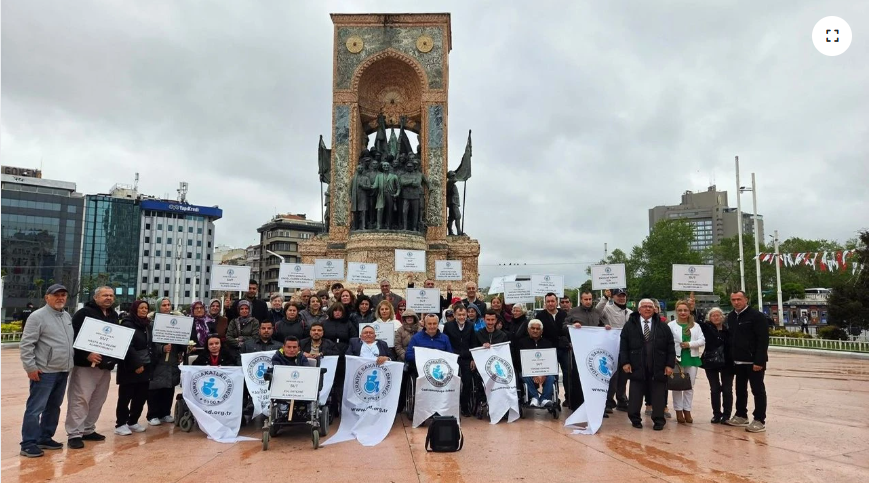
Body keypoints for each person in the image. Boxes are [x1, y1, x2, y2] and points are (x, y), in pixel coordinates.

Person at [19, 284, 74, 457]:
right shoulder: (37, 316)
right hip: (44, 371)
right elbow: (26, 344)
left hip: (63, 370)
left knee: (54, 407)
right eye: (56, 295)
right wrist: (30, 367)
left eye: (63, 295)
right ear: (47, 297)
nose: (60, 298)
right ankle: (28, 442)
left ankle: (45, 437)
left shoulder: (66, 316)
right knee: (35, 408)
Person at [65, 286, 118, 450]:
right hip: (85, 365)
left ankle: (88, 429)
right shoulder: (84, 314)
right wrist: (86, 354)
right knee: (80, 399)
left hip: (105, 366)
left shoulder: (113, 315)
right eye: (104, 295)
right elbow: (72, 337)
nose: (108, 298)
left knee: (98, 399)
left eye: (111, 295)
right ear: (95, 297)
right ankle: (74, 433)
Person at [620, 299, 675, 431]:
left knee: (658, 396)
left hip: (658, 366)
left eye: (650, 307)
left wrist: (669, 364)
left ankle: (658, 420)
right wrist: (625, 362)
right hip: (636, 365)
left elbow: (670, 346)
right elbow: (623, 345)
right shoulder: (630, 325)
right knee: (635, 395)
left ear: (654, 309)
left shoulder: (662, 325)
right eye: (644, 307)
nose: (647, 309)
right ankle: (635, 419)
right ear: (639, 309)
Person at [724, 291, 769, 433]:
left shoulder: (756, 316)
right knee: (740, 390)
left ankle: (759, 419)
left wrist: (759, 361)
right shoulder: (731, 317)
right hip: (737, 361)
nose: (736, 302)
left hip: (753, 362)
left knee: (758, 390)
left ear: (746, 299)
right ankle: (741, 415)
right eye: (733, 300)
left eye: (739, 299)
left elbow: (763, 340)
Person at [115, 300, 154, 436]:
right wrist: (136, 364)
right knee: (126, 396)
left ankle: (133, 421)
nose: (144, 310)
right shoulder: (127, 324)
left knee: (141, 396)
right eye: (141, 308)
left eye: (146, 308)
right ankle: (121, 423)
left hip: (146, 365)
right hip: (130, 367)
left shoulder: (147, 325)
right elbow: (127, 346)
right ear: (135, 309)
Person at [146, 299, 185, 426]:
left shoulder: (177, 322)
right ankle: (153, 414)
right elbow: (149, 343)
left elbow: (180, 338)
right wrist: (161, 349)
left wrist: (180, 350)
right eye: (164, 305)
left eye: (168, 305)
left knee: (169, 387)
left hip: (172, 359)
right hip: (158, 361)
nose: (167, 307)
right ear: (158, 307)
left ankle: (165, 413)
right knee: (155, 388)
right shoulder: (152, 324)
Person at [667, 300, 705, 424]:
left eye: (685, 310)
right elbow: (667, 341)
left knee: (689, 386)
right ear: (676, 311)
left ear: (689, 312)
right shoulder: (671, 325)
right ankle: (678, 411)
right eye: (680, 310)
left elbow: (702, 340)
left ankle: (687, 410)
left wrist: (689, 344)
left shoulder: (696, 325)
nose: (683, 312)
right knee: (677, 385)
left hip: (691, 357)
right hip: (676, 359)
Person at [597, 288, 633, 411]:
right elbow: (596, 313)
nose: (622, 298)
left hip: (626, 348)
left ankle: (622, 399)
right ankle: (608, 401)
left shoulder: (630, 312)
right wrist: (604, 298)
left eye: (623, 295)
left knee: (624, 375)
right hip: (611, 347)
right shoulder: (607, 309)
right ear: (613, 297)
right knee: (612, 376)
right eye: (619, 296)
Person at [700, 307, 733, 424]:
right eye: (713, 315)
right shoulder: (707, 328)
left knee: (727, 389)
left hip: (727, 362)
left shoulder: (728, 329)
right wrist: (692, 308)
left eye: (718, 315)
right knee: (714, 389)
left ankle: (727, 414)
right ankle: (716, 414)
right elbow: (697, 320)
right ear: (709, 318)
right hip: (711, 362)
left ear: (722, 317)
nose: (716, 317)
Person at [512, 319, 555, 408]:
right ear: (528, 330)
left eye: (538, 329)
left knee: (551, 377)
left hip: (544, 371)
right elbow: (519, 361)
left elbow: (550, 361)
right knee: (523, 375)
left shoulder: (548, 343)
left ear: (542, 331)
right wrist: (532, 374)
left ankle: (544, 399)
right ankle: (534, 397)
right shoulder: (521, 343)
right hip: (527, 372)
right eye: (532, 328)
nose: (535, 330)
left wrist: (544, 374)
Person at [443, 304, 476, 417]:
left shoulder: (471, 326)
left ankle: (465, 406)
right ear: (455, 315)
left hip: (466, 358)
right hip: (453, 358)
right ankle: (450, 406)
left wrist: (473, 358)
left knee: (467, 382)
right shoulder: (448, 326)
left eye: (463, 315)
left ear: (466, 315)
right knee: (452, 382)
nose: (462, 317)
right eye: (459, 315)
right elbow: (445, 342)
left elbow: (473, 343)